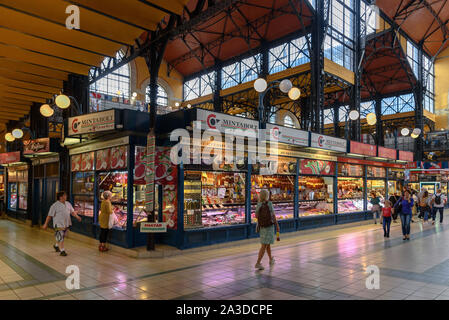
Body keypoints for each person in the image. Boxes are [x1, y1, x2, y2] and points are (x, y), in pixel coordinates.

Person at [43, 191, 82, 256]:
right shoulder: (54, 205)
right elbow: (49, 215)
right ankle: (62, 250)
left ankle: (56, 245)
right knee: (61, 236)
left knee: (62, 236)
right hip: (58, 224)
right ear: (61, 197)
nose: (66, 196)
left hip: (66, 223)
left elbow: (72, 212)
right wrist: (45, 224)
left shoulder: (68, 203)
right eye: (65, 195)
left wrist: (77, 217)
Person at [254, 189, 280, 270]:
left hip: (262, 227)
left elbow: (256, 216)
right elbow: (273, 216)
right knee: (264, 245)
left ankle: (271, 259)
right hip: (269, 226)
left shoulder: (259, 204)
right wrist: (277, 225)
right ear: (267, 195)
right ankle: (258, 263)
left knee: (267, 243)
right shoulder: (269, 203)